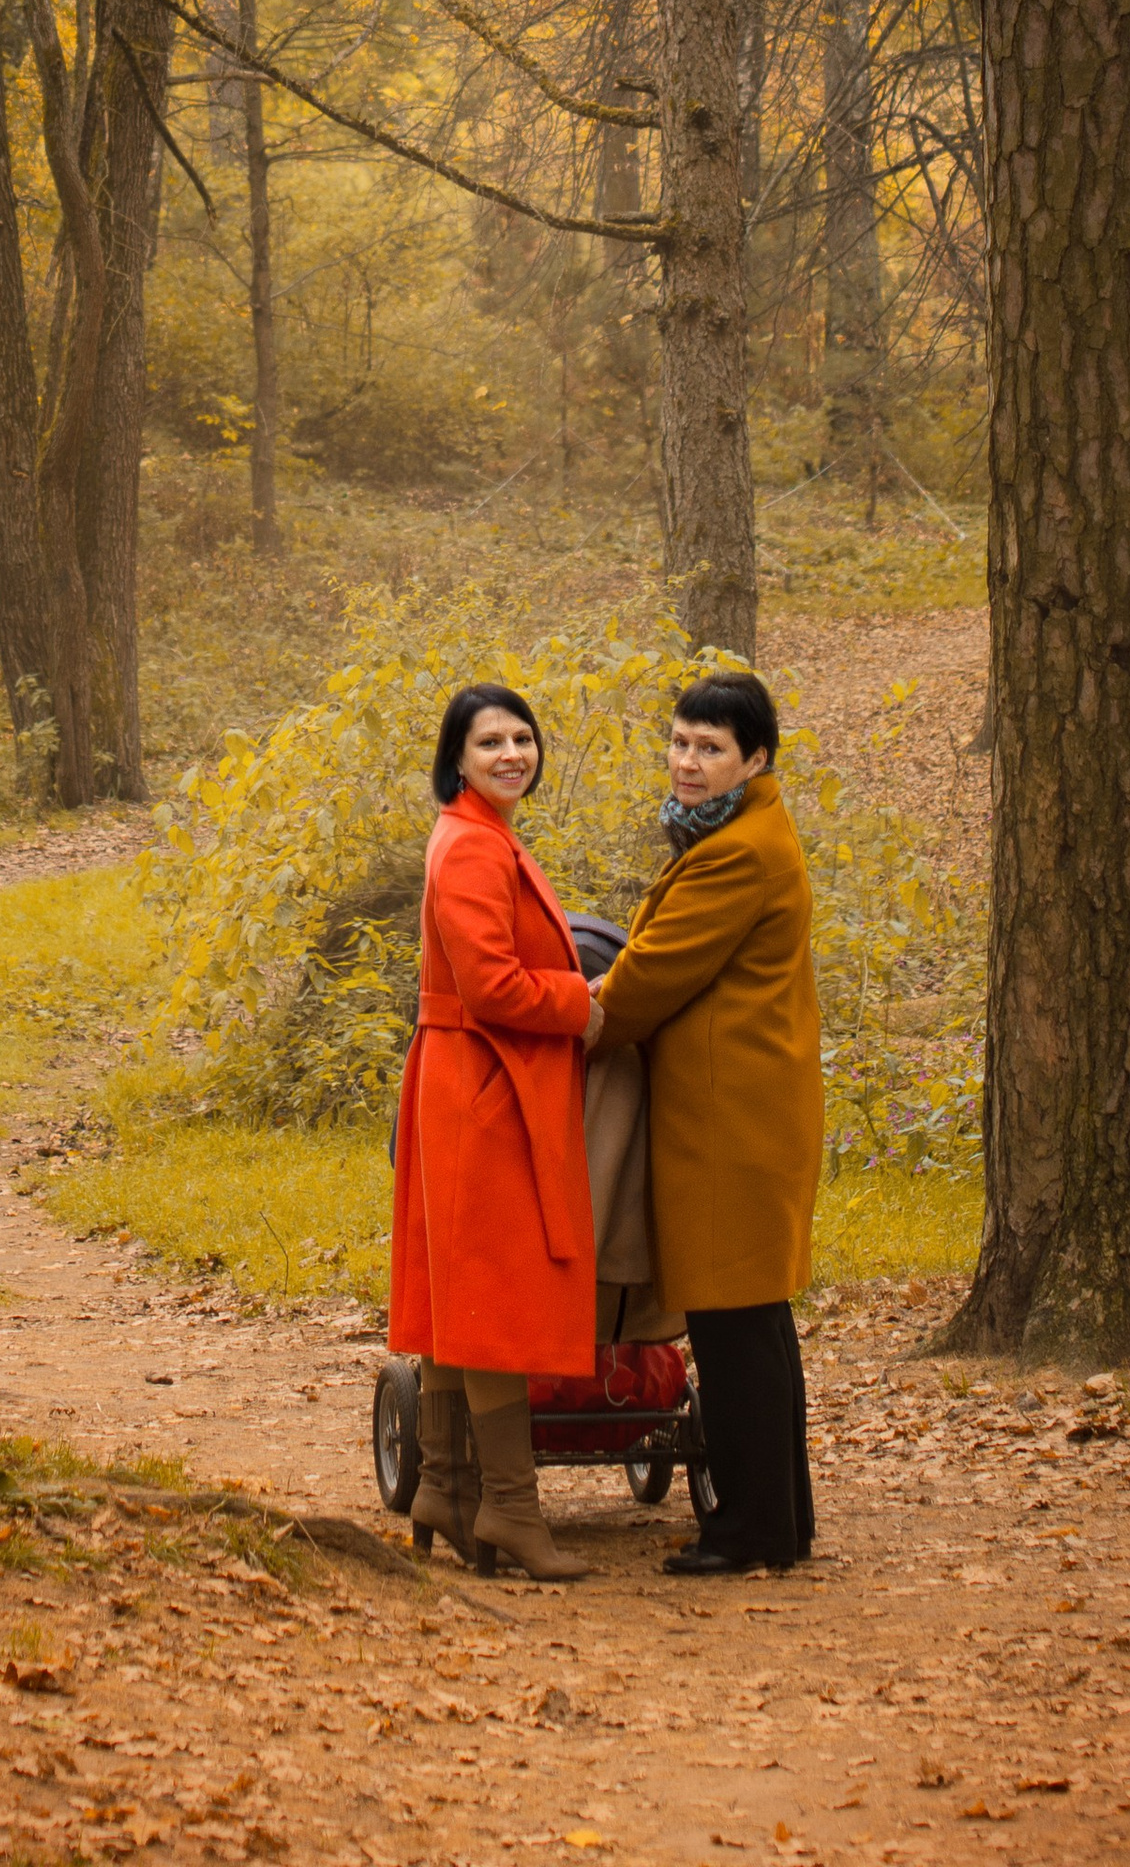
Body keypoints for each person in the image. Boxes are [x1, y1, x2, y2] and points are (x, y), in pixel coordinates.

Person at [590, 670, 823, 1578]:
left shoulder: (738, 850)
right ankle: (781, 1521)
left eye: (710, 748)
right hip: (744, 1109)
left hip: (729, 1122)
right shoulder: (741, 828)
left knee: (734, 1334)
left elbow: (651, 976)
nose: (688, 762)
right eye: (681, 742)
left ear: (754, 758)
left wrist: (573, 1010)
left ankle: (751, 1532)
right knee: (754, 1327)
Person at [387, 681, 604, 1581]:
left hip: (468, 1079)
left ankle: (443, 1485)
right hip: (483, 1084)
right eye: (491, 743)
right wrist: (584, 1003)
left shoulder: (481, 834)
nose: (513, 753)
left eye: (524, 738)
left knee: (457, 1287)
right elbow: (493, 986)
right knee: (494, 1293)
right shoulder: (472, 845)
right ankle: (511, 1509)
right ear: (458, 757)